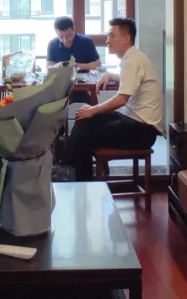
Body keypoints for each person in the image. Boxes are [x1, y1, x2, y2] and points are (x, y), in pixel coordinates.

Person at [65, 18, 162, 181]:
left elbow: (121, 99)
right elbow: (130, 80)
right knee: (83, 119)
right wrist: (110, 75)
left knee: (84, 132)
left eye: (112, 36)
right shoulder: (132, 57)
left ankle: (77, 179)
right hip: (132, 121)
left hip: (142, 130)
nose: (107, 41)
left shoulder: (132, 60)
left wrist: (92, 110)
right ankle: (75, 176)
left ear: (126, 38)